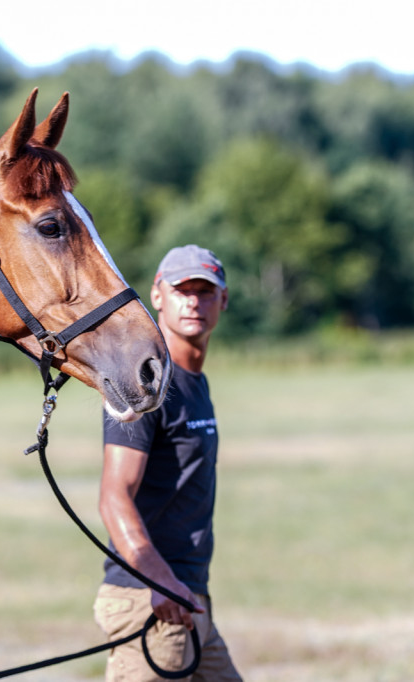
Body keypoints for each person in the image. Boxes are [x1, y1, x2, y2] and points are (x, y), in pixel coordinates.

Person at [94, 244, 242, 681]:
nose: (194, 301)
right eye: (182, 290)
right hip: (151, 600)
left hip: (189, 599)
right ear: (157, 296)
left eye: (205, 291)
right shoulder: (147, 382)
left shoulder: (195, 382)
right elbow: (113, 496)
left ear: (224, 300)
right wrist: (158, 579)